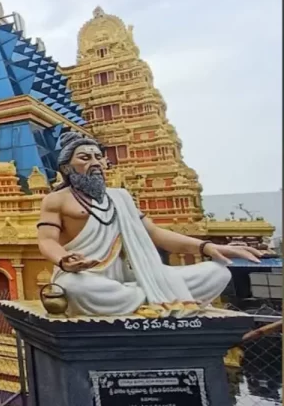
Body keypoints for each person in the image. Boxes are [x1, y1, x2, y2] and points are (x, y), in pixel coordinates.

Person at [37, 131, 262, 318]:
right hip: (85, 275)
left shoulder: (120, 197)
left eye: (98, 157)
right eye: (85, 158)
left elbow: (154, 233)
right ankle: (162, 297)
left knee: (218, 273)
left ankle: (147, 296)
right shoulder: (57, 199)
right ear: (66, 168)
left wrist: (206, 248)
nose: (95, 163)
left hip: (132, 277)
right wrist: (64, 260)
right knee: (77, 289)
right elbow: (47, 240)